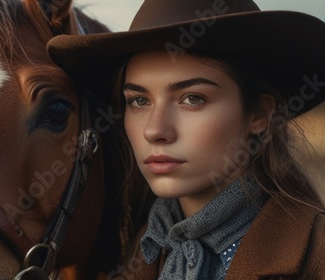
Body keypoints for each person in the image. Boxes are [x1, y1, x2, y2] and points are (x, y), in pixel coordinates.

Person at [47, 0, 325, 279]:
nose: (154, 130)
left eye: (192, 98)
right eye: (139, 101)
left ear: (260, 114)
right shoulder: (132, 262)